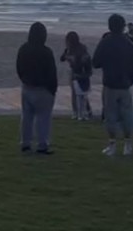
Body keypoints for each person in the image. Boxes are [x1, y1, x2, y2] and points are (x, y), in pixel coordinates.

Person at [93, 14, 133, 157]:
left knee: (110, 116)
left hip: (110, 84)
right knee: (127, 115)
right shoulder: (129, 43)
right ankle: (128, 145)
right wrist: (130, 80)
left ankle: (112, 144)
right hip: (125, 84)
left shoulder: (105, 42)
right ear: (123, 26)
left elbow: (95, 62)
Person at [17, 22, 58, 155]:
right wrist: (52, 89)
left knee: (26, 117)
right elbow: (52, 72)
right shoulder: (46, 52)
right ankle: (42, 145)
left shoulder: (23, 49)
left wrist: (24, 79)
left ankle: (25, 144)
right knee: (43, 119)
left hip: (27, 87)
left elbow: (19, 67)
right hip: (43, 89)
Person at [60, 31, 93, 120]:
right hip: (73, 72)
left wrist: (72, 60)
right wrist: (67, 55)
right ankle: (77, 112)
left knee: (81, 93)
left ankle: (84, 111)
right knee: (76, 93)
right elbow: (62, 58)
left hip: (80, 73)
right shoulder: (69, 49)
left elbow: (83, 62)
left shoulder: (81, 49)